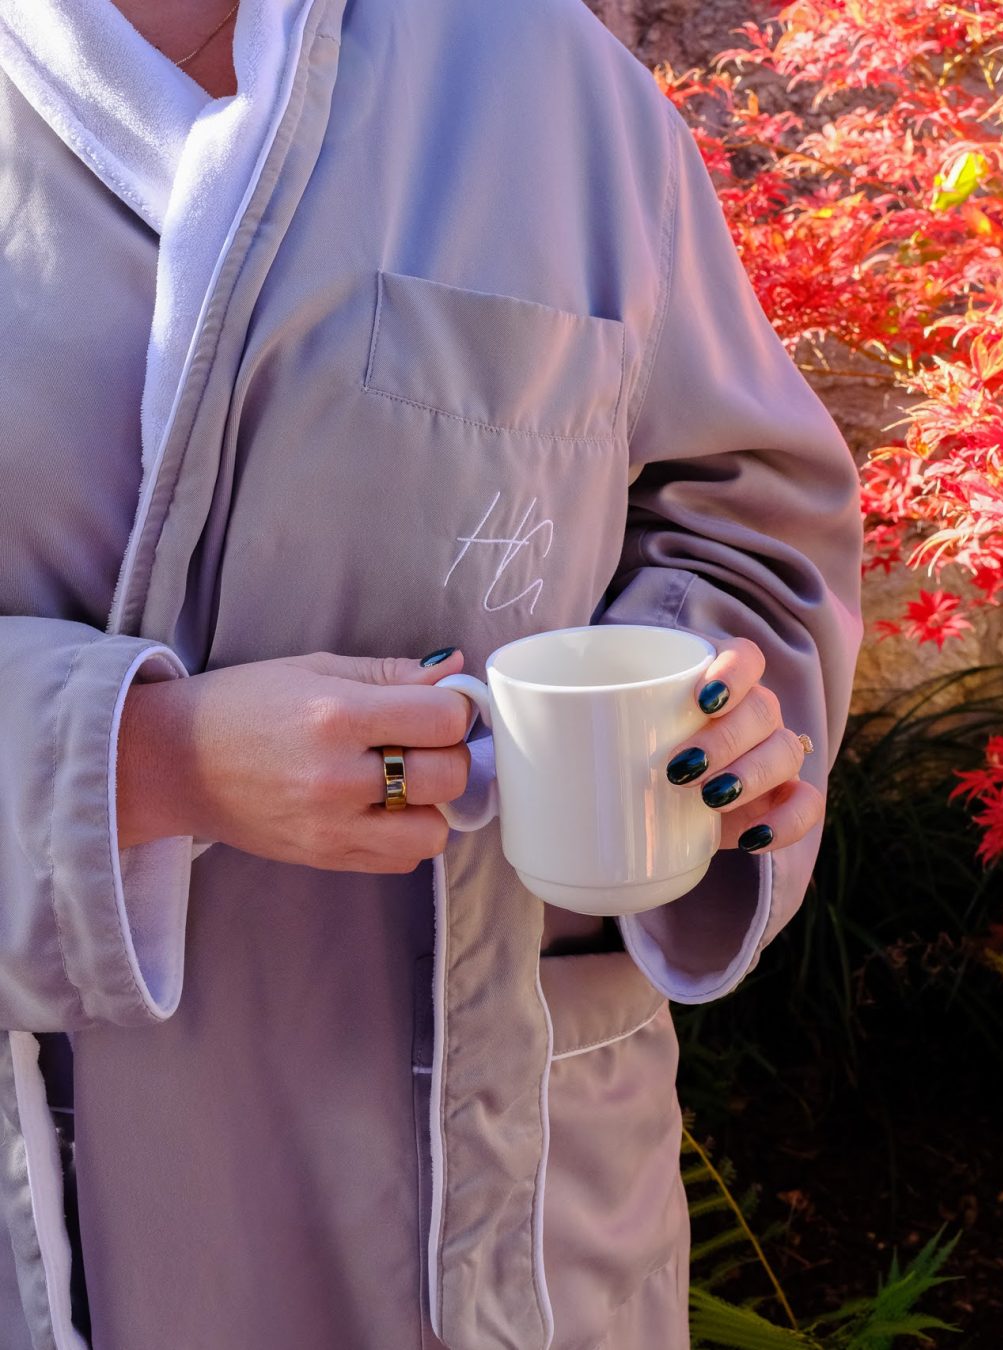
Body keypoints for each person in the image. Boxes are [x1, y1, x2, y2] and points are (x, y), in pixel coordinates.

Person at [0, 0, 864, 1346]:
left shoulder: (542, 76)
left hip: (487, 1213)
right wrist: (141, 763)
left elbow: (748, 512)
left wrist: (698, 707)